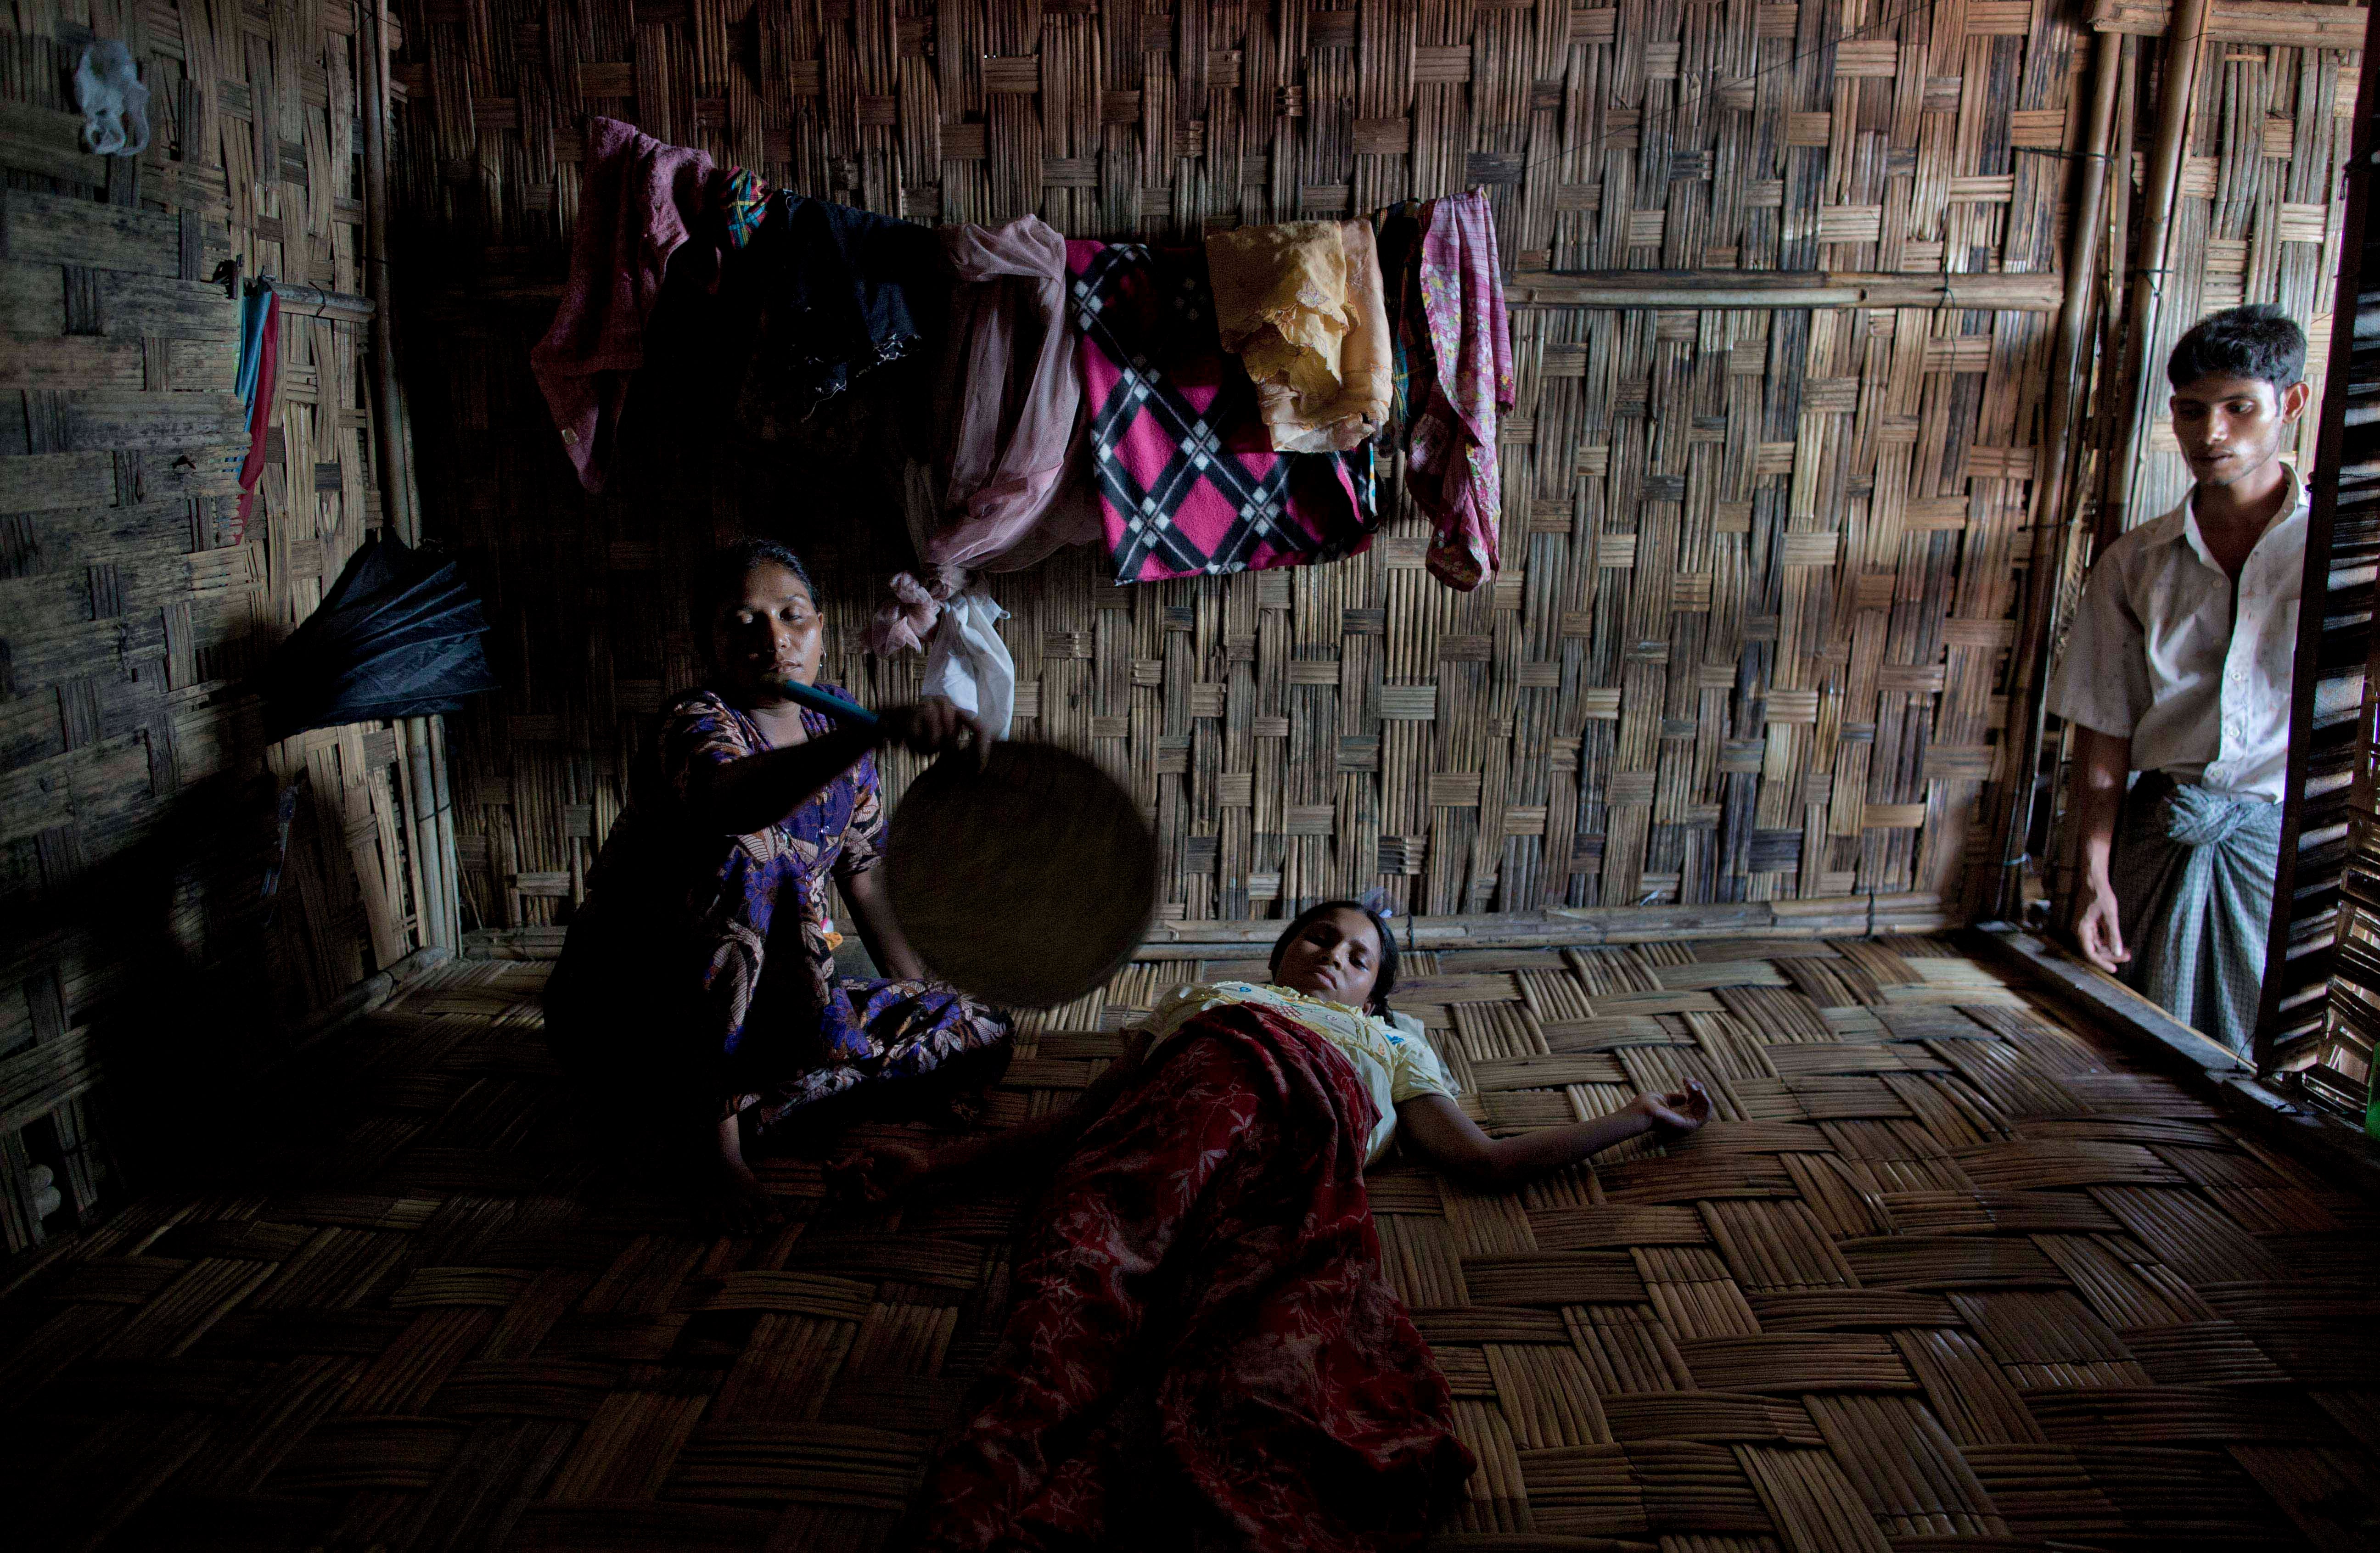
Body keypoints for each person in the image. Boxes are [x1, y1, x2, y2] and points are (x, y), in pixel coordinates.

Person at [843, 898, 1711, 1553]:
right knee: (1054, 1346)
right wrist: (936, 1165)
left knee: (1241, 1386)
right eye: (1319, 938)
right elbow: (1088, 1118)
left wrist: (1633, 1119)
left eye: (1360, 955)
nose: (1335, 956)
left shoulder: (1391, 1044)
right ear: (1282, 951)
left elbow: (1485, 1160)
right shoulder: (1209, 999)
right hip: (1141, 1167)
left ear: (1377, 990)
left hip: (1283, 1190)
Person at [544, 538, 1012, 1228]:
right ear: (706, 641)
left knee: (977, 1028)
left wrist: (921, 996)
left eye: (794, 616)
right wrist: (868, 735)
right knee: (753, 857)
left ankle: (693, 1117)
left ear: (821, 627)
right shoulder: (695, 724)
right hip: (642, 1013)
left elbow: (866, 874)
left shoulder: (833, 721)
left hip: (768, 1019)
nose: (773, 639)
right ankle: (716, 1145)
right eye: (742, 622)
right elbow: (736, 802)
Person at [2047, 305, 2313, 1053]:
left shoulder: (2342, 559)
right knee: (2141, 1052)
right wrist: (2095, 875)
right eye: (2193, 412)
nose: (2212, 434)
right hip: (2159, 840)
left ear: (2291, 404)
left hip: (2285, 846)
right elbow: (2105, 737)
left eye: (2239, 409)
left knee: (2282, 1057)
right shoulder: (2136, 565)